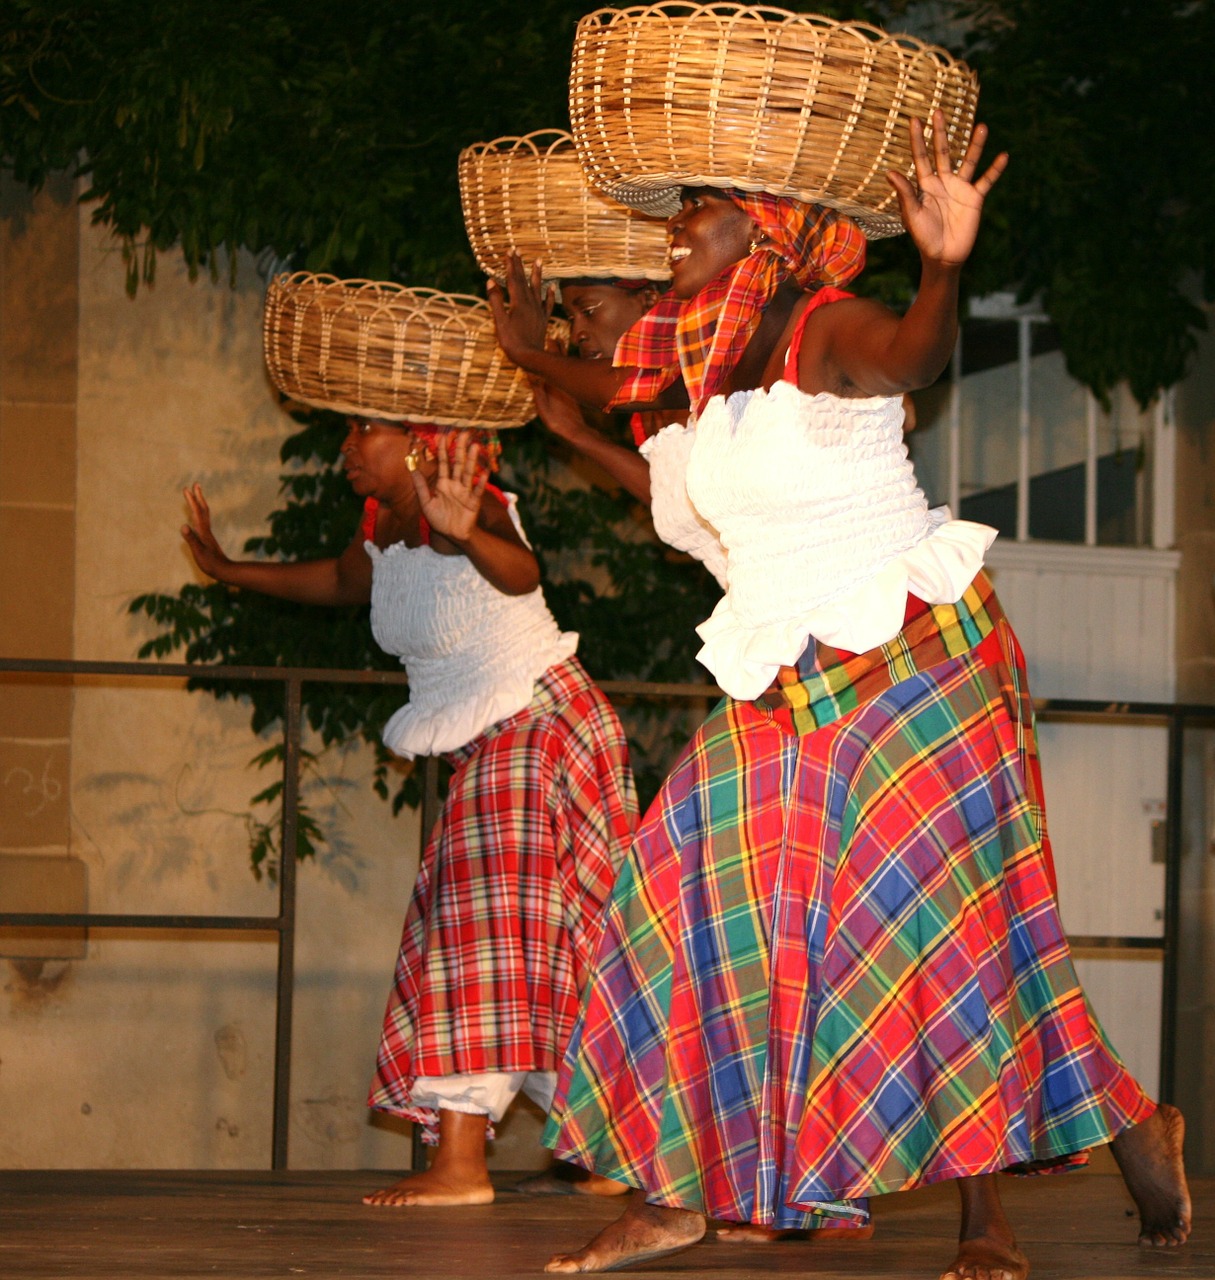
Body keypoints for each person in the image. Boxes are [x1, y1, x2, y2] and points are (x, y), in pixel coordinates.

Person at [489, 110, 1190, 1278]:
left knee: (940, 928)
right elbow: (612, 378)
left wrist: (947, 263)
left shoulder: (822, 328)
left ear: (762, 232)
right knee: (673, 884)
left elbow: (914, 355)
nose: (675, 228)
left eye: (699, 209)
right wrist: (529, 356)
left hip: (919, 660)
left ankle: (996, 1215)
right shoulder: (705, 355)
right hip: (793, 667)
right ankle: (672, 1191)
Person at [181, 419, 638, 1207]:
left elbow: (521, 570)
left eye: (367, 431)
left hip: (537, 726)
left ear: (422, 438)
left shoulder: (468, 502)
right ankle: (609, 1143)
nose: (347, 447)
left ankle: (461, 1162)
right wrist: (229, 571)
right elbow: (340, 582)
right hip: (501, 739)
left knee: (479, 934)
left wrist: (465, 531)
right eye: (348, 431)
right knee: (558, 940)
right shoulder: (380, 526)